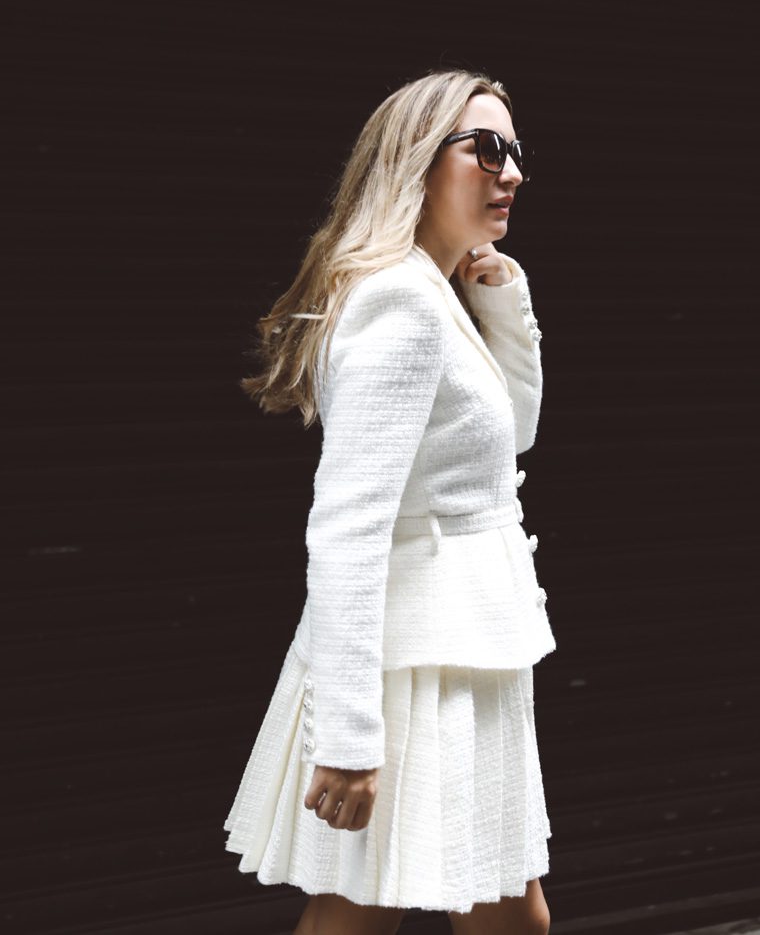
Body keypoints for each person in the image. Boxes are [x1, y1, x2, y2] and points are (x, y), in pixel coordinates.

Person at [223, 68, 556, 934]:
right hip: (417, 668)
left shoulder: (434, 298)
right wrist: (348, 737)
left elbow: (510, 432)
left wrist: (500, 299)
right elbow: (347, 525)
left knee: (487, 918)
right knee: (395, 918)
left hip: (460, 655)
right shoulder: (400, 304)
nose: (511, 170)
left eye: (515, 151)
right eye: (486, 148)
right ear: (415, 159)